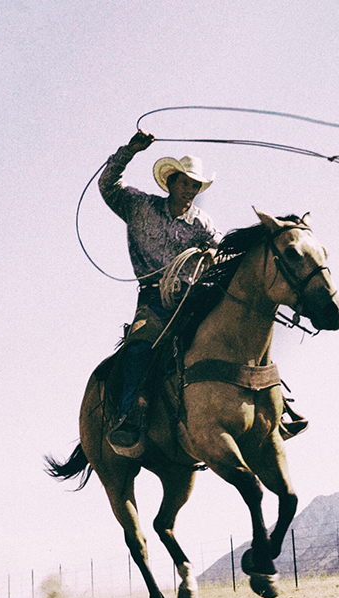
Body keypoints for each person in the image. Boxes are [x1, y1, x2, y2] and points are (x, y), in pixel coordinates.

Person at [99, 130, 221, 457]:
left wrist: (212, 256)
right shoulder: (139, 206)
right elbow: (107, 186)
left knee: (232, 326)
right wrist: (129, 151)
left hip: (194, 295)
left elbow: (222, 252)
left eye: (195, 186)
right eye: (185, 183)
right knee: (140, 347)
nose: (190, 190)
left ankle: (268, 401)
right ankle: (130, 417)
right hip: (154, 300)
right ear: (171, 182)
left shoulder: (203, 224)